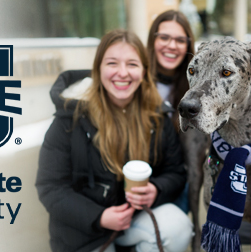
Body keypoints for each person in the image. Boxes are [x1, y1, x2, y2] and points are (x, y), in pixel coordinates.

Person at [36, 29, 192, 252]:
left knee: (178, 226)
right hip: (84, 233)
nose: (122, 73)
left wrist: (156, 189)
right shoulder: (70, 117)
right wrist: (98, 217)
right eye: (112, 63)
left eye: (132, 64)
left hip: (135, 222)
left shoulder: (157, 116)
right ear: (98, 69)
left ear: (144, 71)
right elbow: (50, 187)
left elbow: (176, 172)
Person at [146, 10, 196, 215]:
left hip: (176, 182)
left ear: (188, 45)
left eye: (180, 40)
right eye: (164, 37)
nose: (172, 46)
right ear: (153, 40)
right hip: (138, 177)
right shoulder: (134, 81)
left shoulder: (195, 89)